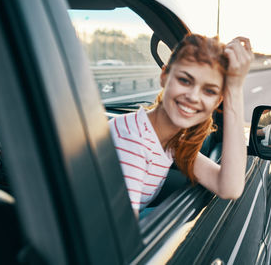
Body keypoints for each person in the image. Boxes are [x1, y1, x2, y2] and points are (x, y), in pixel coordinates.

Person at [108, 34, 254, 218]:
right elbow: (123, 240)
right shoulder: (132, 141)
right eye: (185, 80)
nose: (193, 96)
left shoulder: (170, 141)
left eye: (209, 91)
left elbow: (230, 187)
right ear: (164, 76)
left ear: (218, 101)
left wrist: (235, 89)